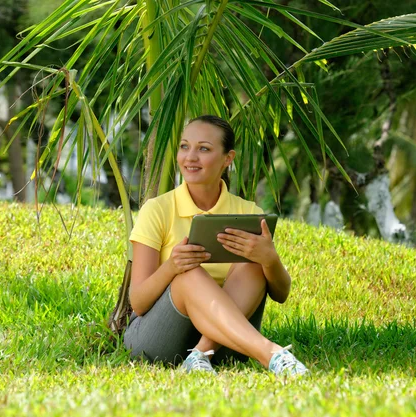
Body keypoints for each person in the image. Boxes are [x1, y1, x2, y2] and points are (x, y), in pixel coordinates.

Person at [123, 115, 308, 376]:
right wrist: (172, 267)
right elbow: (139, 303)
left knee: (254, 262)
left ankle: (201, 353)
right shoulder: (157, 210)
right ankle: (271, 354)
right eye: (185, 146)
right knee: (188, 273)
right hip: (159, 338)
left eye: (204, 149)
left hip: (224, 343)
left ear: (227, 159)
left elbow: (281, 294)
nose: (190, 158)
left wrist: (269, 259)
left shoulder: (248, 213)